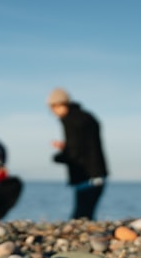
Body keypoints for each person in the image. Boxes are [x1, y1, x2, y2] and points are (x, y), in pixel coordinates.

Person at [47, 88, 109, 220]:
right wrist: (67, 147)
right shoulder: (88, 117)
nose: (52, 111)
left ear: (59, 104)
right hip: (97, 171)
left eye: (52, 107)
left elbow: (74, 152)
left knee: (81, 216)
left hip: (85, 174)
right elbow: (85, 144)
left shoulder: (70, 120)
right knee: (87, 213)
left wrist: (58, 157)